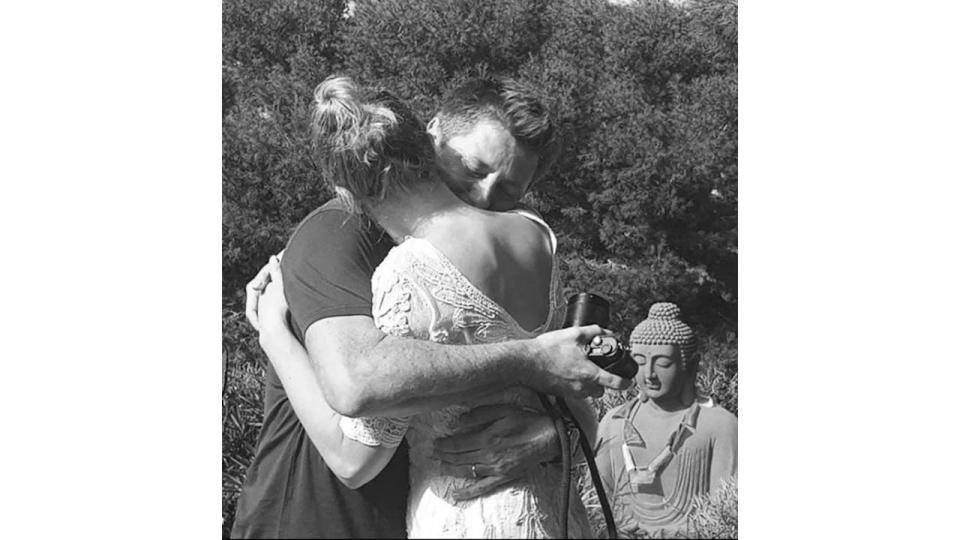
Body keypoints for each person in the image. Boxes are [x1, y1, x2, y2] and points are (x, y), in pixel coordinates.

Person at [231, 76, 628, 539]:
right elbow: (359, 388)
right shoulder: (339, 234)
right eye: (474, 168)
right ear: (431, 133)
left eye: (508, 189)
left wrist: (546, 435)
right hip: (321, 518)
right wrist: (272, 334)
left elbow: (569, 386)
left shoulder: (504, 243)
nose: (484, 197)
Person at [594, 303, 737, 538]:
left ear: (690, 366)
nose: (649, 373)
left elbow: (725, 513)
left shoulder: (719, 426)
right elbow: (596, 501)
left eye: (662, 363)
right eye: (639, 361)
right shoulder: (613, 422)